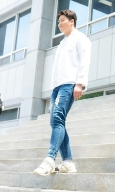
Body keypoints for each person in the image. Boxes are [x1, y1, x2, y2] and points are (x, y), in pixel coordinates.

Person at [34, 9, 91, 175]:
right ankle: (67, 162)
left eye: (63, 21)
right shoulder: (62, 43)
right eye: (58, 22)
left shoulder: (81, 39)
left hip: (69, 85)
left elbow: (85, 62)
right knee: (55, 122)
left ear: (72, 21)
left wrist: (79, 83)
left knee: (58, 119)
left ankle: (50, 159)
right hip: (57, 87)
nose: (59, 24)